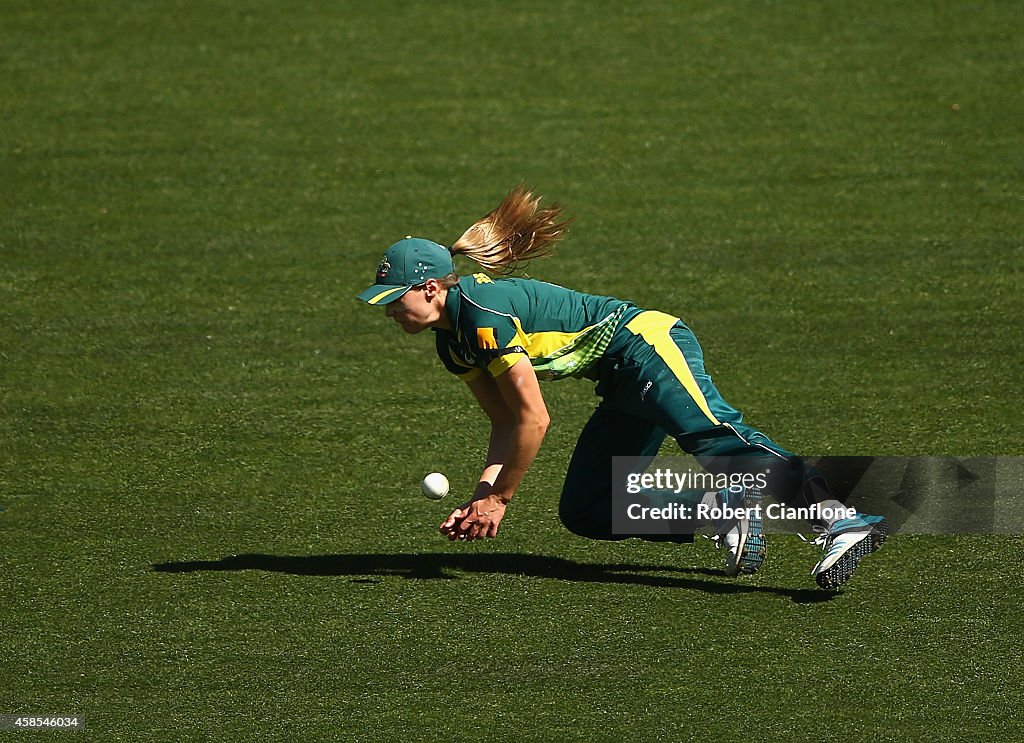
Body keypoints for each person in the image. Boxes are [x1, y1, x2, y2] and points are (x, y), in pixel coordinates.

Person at [356, 186, 887, 589]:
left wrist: (502, 497)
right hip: (618, 377)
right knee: (589, 507)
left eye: (395, 297)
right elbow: (503, 424)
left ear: (429, 288)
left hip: (644, 345)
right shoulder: (453, 344)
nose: (389, 310)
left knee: (714, 439)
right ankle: (726, 510)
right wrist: (482, 501)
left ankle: (840, 520)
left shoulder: (482, 317)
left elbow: (534, 420)